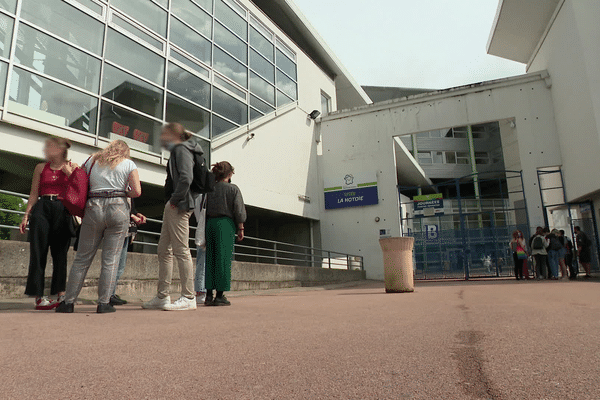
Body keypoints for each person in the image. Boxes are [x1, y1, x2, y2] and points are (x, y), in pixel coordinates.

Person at [56, 140, 141, 314]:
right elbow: (137, 191)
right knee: (111, 260)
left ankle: (68, 302)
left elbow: (80, 180)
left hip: (94, 206)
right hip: (118, 207)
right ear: (125, 151)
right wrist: (124, 192)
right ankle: (103, 303)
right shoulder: (128, 164)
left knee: (82, 259)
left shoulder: (93, 160)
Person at [142, 123, 204, 311]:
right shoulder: (181, 149)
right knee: (164, 250)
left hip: (179, 205)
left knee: (180, 250)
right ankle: (162, 295)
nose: (162, 138)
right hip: (175, 204)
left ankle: (188, 296)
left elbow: (186, 177)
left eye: (165, 135)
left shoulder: (182, 149)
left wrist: (174, 200)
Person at [20, 137, 75, 310]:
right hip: (42, 208)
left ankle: (61, 294)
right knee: (38, 252)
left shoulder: (72, 167)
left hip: (62, 208)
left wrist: (69, 173)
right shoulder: (40, 167)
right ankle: (38, 297)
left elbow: (78, 189)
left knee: (60, 253)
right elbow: (34, 192)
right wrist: (26, 215)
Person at [204, 161, 246, 306]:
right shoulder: (233, 189)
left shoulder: (209, 189)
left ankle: (208, 295)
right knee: (223, 259)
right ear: (229, 174)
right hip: (225, 224)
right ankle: (220, 295)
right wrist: (241, 228)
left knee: (210, 258)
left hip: (209, 223)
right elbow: (239, 210)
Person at [109, 200, 147, 306]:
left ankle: (110, 293)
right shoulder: (124, 186)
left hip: (125, 229)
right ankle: (109, 295)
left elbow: (131, 207)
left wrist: (136, 214)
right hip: (120, 227)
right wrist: (132, 216)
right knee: (116, 264)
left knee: (119, 265)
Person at [194, 194, 207, 305]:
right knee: (202, 262)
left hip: (202, 227)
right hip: (204, 228)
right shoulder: (202, 196)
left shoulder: (200, 196)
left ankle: (201, 291)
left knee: (202, 262)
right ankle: (201, 291)